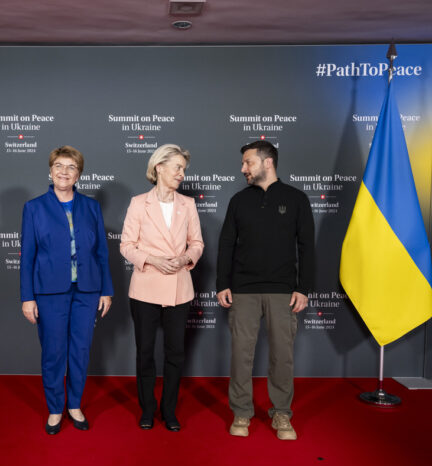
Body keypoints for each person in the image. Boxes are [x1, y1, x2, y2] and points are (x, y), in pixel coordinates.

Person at [216, 140, 314, 440]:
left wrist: (303, 288)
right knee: (240, 355)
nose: (243, 168)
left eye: (248, 162)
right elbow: (226, 245)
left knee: (282, 356)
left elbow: (307, 247)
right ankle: (241, 413)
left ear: (267, 162)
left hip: (283, 291)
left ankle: (281, 414)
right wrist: (222, 284)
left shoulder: (296, 199)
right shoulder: (238, 201)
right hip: (243, 290)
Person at [20, 145, 114, 435]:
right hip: (49, 293)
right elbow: (27, 256)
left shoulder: (91, 207)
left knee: (80, 350)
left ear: (79, 174)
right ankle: (55, 408)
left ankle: (75, 404)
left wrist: (106, 290)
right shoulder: (34, 208)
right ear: (50, 170)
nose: (64, 171)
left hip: (87, 291)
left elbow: (101, 252)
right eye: (59, 165)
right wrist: (27, 297)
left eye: (71, 167)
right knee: (53, 352)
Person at [120, 144, 204, 431]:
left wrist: (185, 258)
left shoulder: (188, 204)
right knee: (145, 352)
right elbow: (126, 246)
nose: (182, 173)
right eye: (177, 167)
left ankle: (169, 411)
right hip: (145, 287)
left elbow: (197, 243)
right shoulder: (137, 202)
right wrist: (153, 260)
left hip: (179, 288)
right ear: (159, 167)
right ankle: (147, 409)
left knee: (175, 353)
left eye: (183, 169)